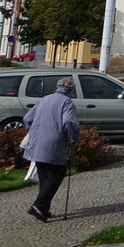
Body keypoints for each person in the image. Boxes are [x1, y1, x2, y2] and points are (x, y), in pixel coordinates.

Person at [22, 76, 80, 222]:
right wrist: (73, 138)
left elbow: (27, 118)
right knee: (58, 173)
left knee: (44, 176)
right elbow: (68, 122)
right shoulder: (67, 102)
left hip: (37, 141)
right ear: (70, 89)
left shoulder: (44, 99)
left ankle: (43, 210)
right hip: (53, 142)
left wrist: (34, 130)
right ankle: (38, 205)